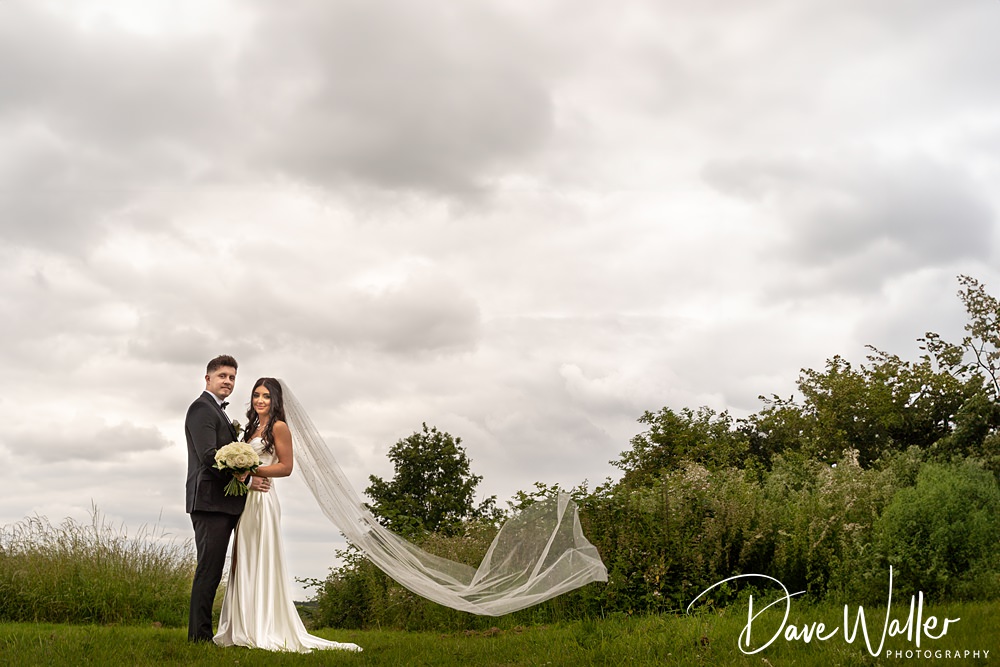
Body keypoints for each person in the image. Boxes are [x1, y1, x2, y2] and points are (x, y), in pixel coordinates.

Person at [213, 377, 362, 653]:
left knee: (260, 557)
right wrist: (238, 471)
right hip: (247, 499)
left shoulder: (279, 427)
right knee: (244, 558)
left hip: (264, 500)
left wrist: (250, 470)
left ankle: (263, 625)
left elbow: (286, 467)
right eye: (256, 395)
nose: (260, 400)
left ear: (276, 401)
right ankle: (241, 625)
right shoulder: (253, 428)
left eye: (266, 396)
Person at [185, 355, 271, 643]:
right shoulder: (201, 409)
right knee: (209, 570)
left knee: (222, 569)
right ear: (207, 378)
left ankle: (235, 629)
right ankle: (199, 637)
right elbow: (209, 456)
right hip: (209, 502)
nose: (228, 381)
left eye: (232, 377)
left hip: (226, 503)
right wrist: (247, 477)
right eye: (222, 376)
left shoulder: (217, 412)